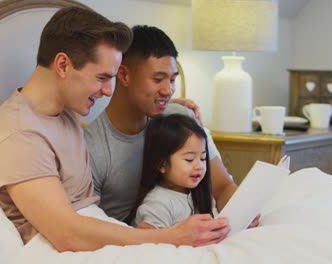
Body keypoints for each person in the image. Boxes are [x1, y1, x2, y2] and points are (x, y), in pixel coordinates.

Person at [0, 7, 230, 252]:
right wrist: (168, 237)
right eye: (101, 78)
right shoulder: (20, 137)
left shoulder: (60, 113)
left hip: (101, 234)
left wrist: (162, 105)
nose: (109, 90)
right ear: (63, 65)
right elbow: (67, 234)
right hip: (62, 250)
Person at [84, 25, 259, 228]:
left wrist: (244, 213)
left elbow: (222, 187)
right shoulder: (92, 146)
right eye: (158, 79)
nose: (168, 90)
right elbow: (88, 223)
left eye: (173, 79)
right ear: (123, 75)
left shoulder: (181, 118)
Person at [126, 114, 216, 229]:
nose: (199, 166)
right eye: (189, 159)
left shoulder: (200, 195)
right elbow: (154, 243)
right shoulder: (157, 204)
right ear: (162, 164)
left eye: (203, 158)